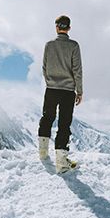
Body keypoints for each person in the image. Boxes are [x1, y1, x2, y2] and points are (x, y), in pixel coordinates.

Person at [38, 15, 83, 173]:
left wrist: (50, 82)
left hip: (51, 88)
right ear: (69, 28)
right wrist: (80, 91)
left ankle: (43, 153)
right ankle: (61, 163)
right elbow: (77, 71)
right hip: (68, 91)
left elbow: (44, 67)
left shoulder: (49, 45)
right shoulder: (74, 46)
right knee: (64, 124)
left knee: (47, 118)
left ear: (56, 27)